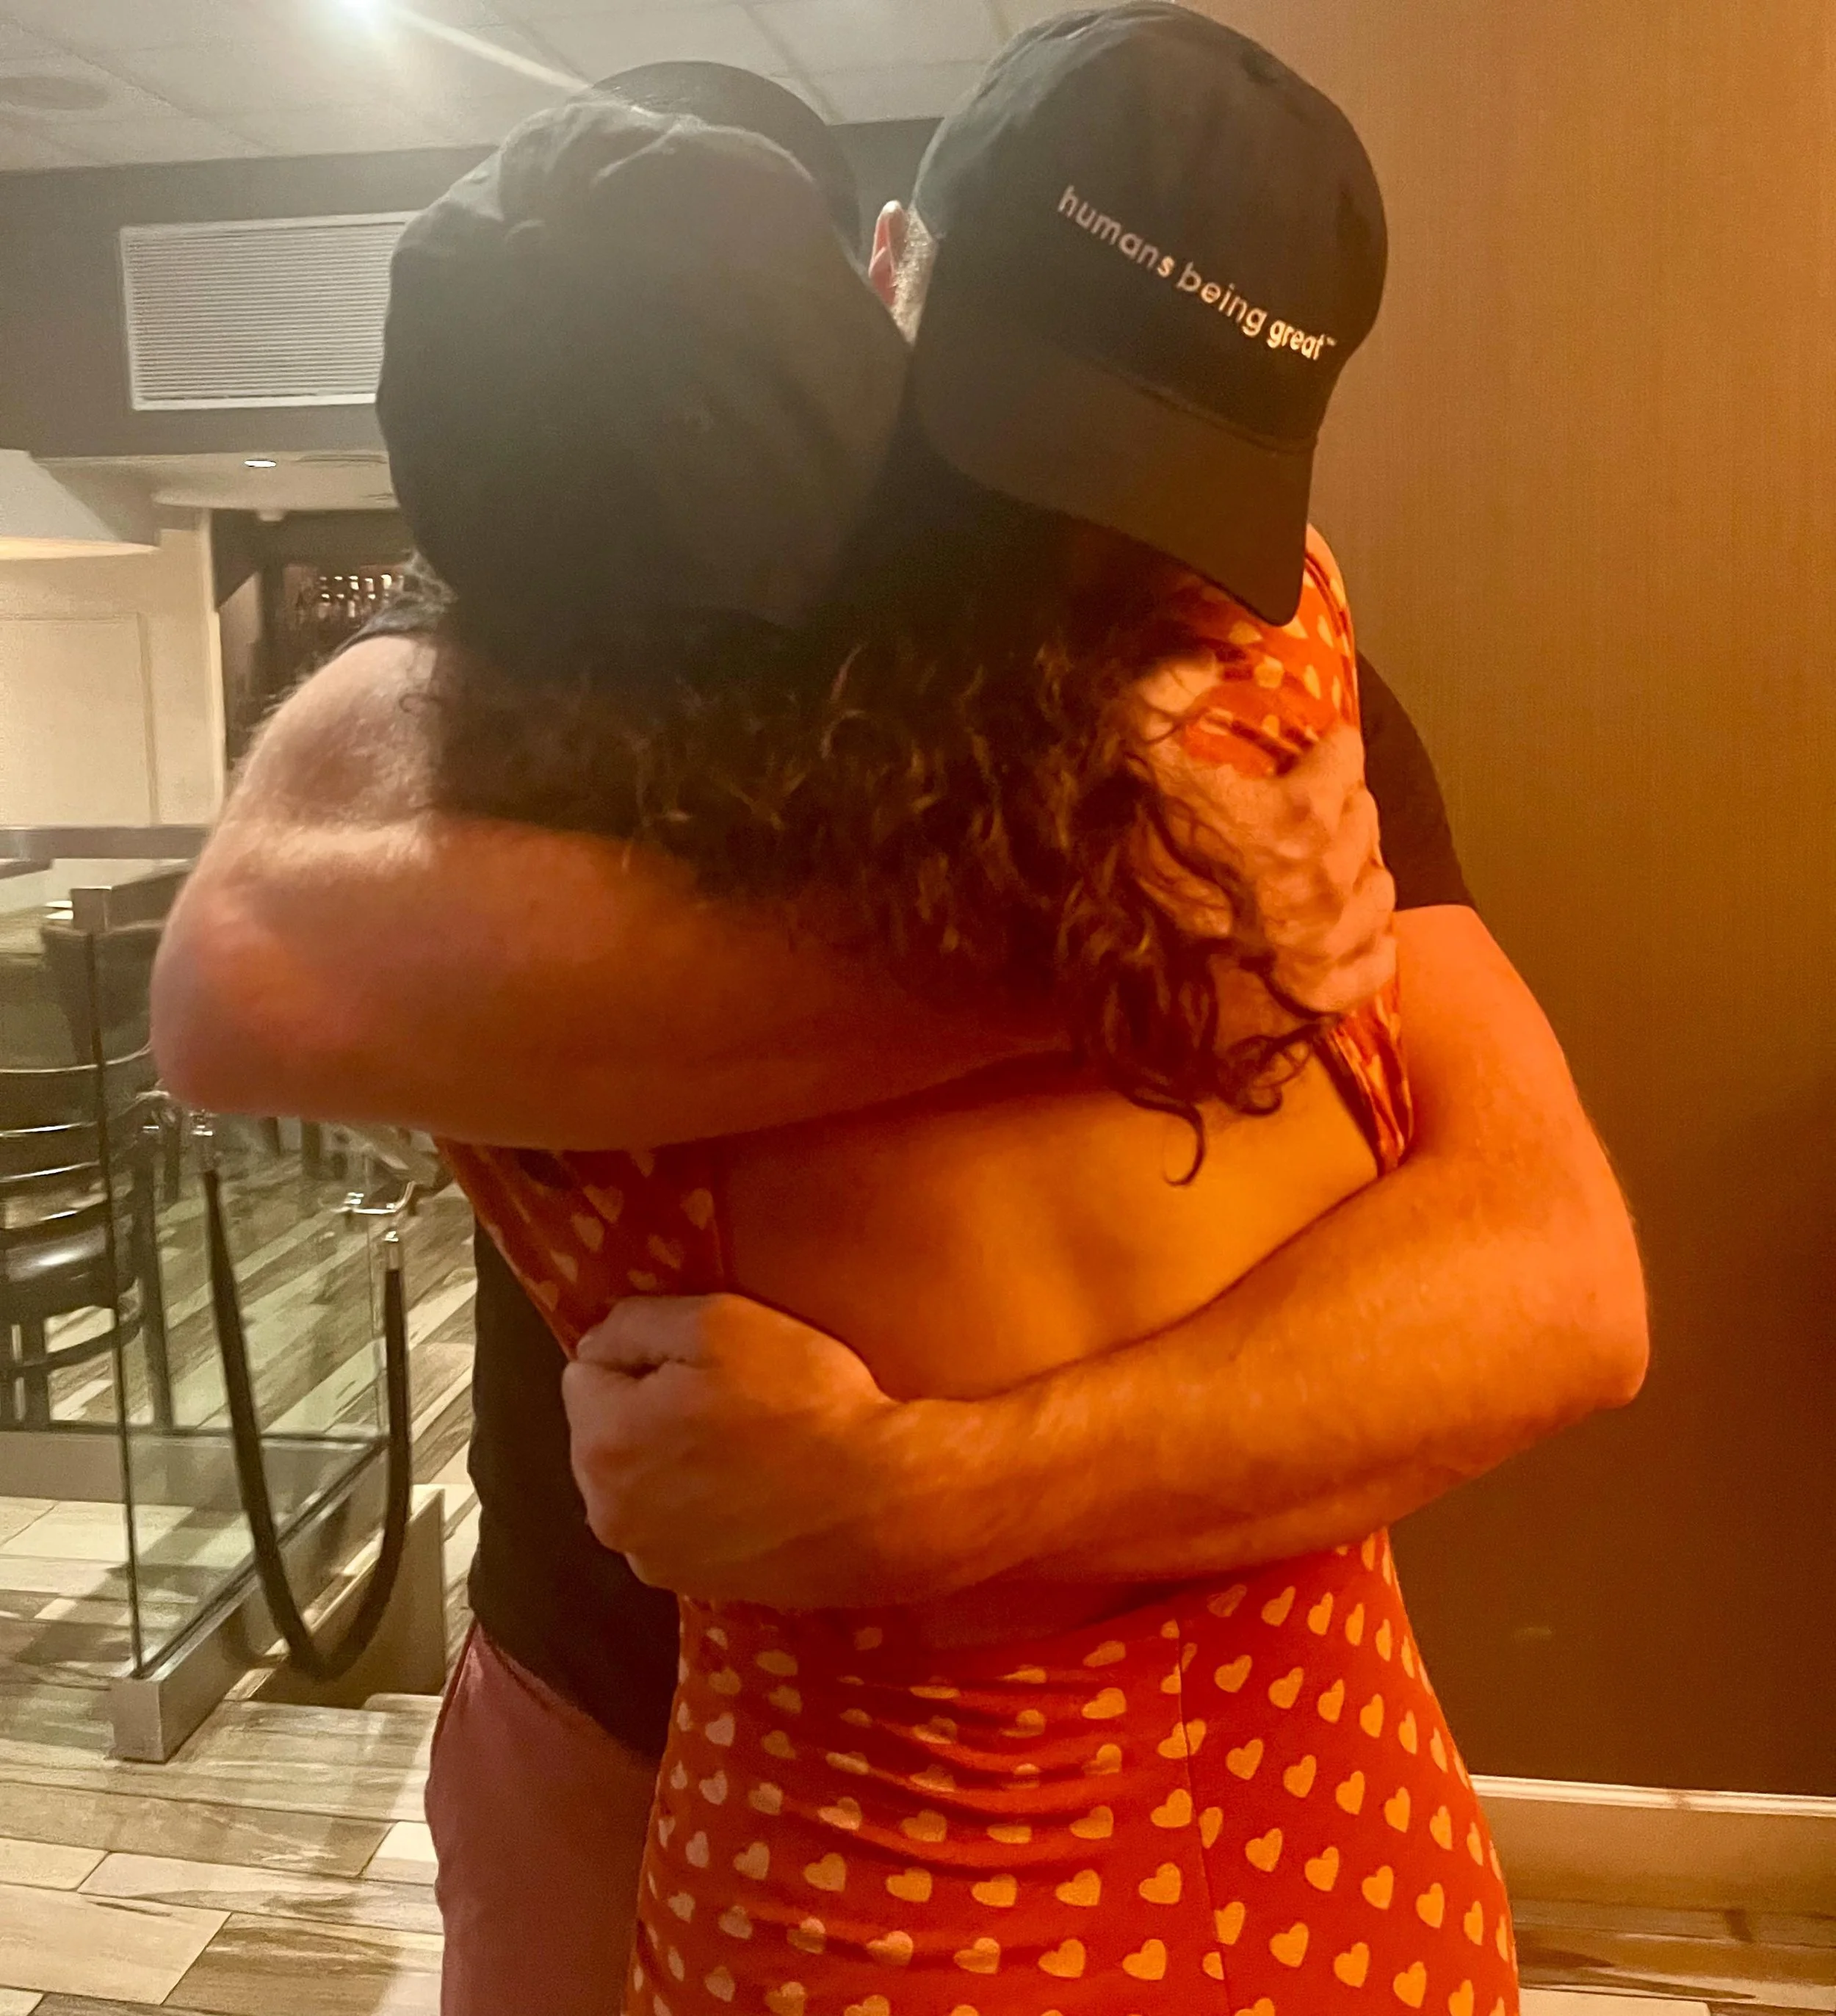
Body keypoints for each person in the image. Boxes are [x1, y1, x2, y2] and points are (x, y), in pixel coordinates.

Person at [152, 21, 1647, 2015]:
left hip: (887, 1858)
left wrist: (914, 1495)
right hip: (651, 1711)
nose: (1085, 532)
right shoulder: (1248, 696)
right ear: (882, 294)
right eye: (1027, 421)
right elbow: (239, 983)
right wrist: (1081, 948)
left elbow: (1562, 1286)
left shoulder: (1262, 679)